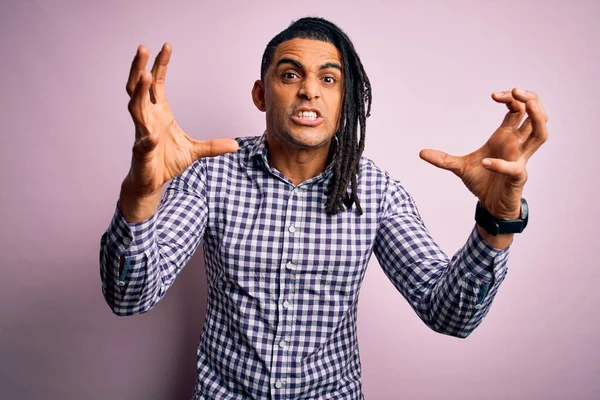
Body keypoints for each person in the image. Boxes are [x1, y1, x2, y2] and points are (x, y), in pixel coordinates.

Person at [99, 16, 547, 400]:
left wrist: (497, 222)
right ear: (261, 94)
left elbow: (449, 314)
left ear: (344, 100)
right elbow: (129, 297)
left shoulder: (376, 192)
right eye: (290, 75)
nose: (309, 90)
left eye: (328, 79)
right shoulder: (210, 175)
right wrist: (139, 199)